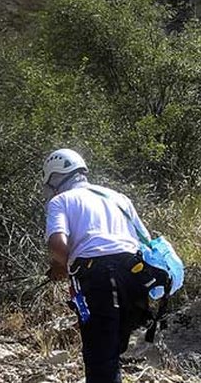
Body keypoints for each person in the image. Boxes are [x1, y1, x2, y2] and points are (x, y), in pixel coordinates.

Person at [43, 148, 155, 383]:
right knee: (113, 351)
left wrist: (60, 267)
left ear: (54, 178)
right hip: (134, 278)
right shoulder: (119, 197)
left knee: (100, 356)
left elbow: (57, 245)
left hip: (97, 278)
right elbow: (145, 242)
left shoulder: (60, 200)